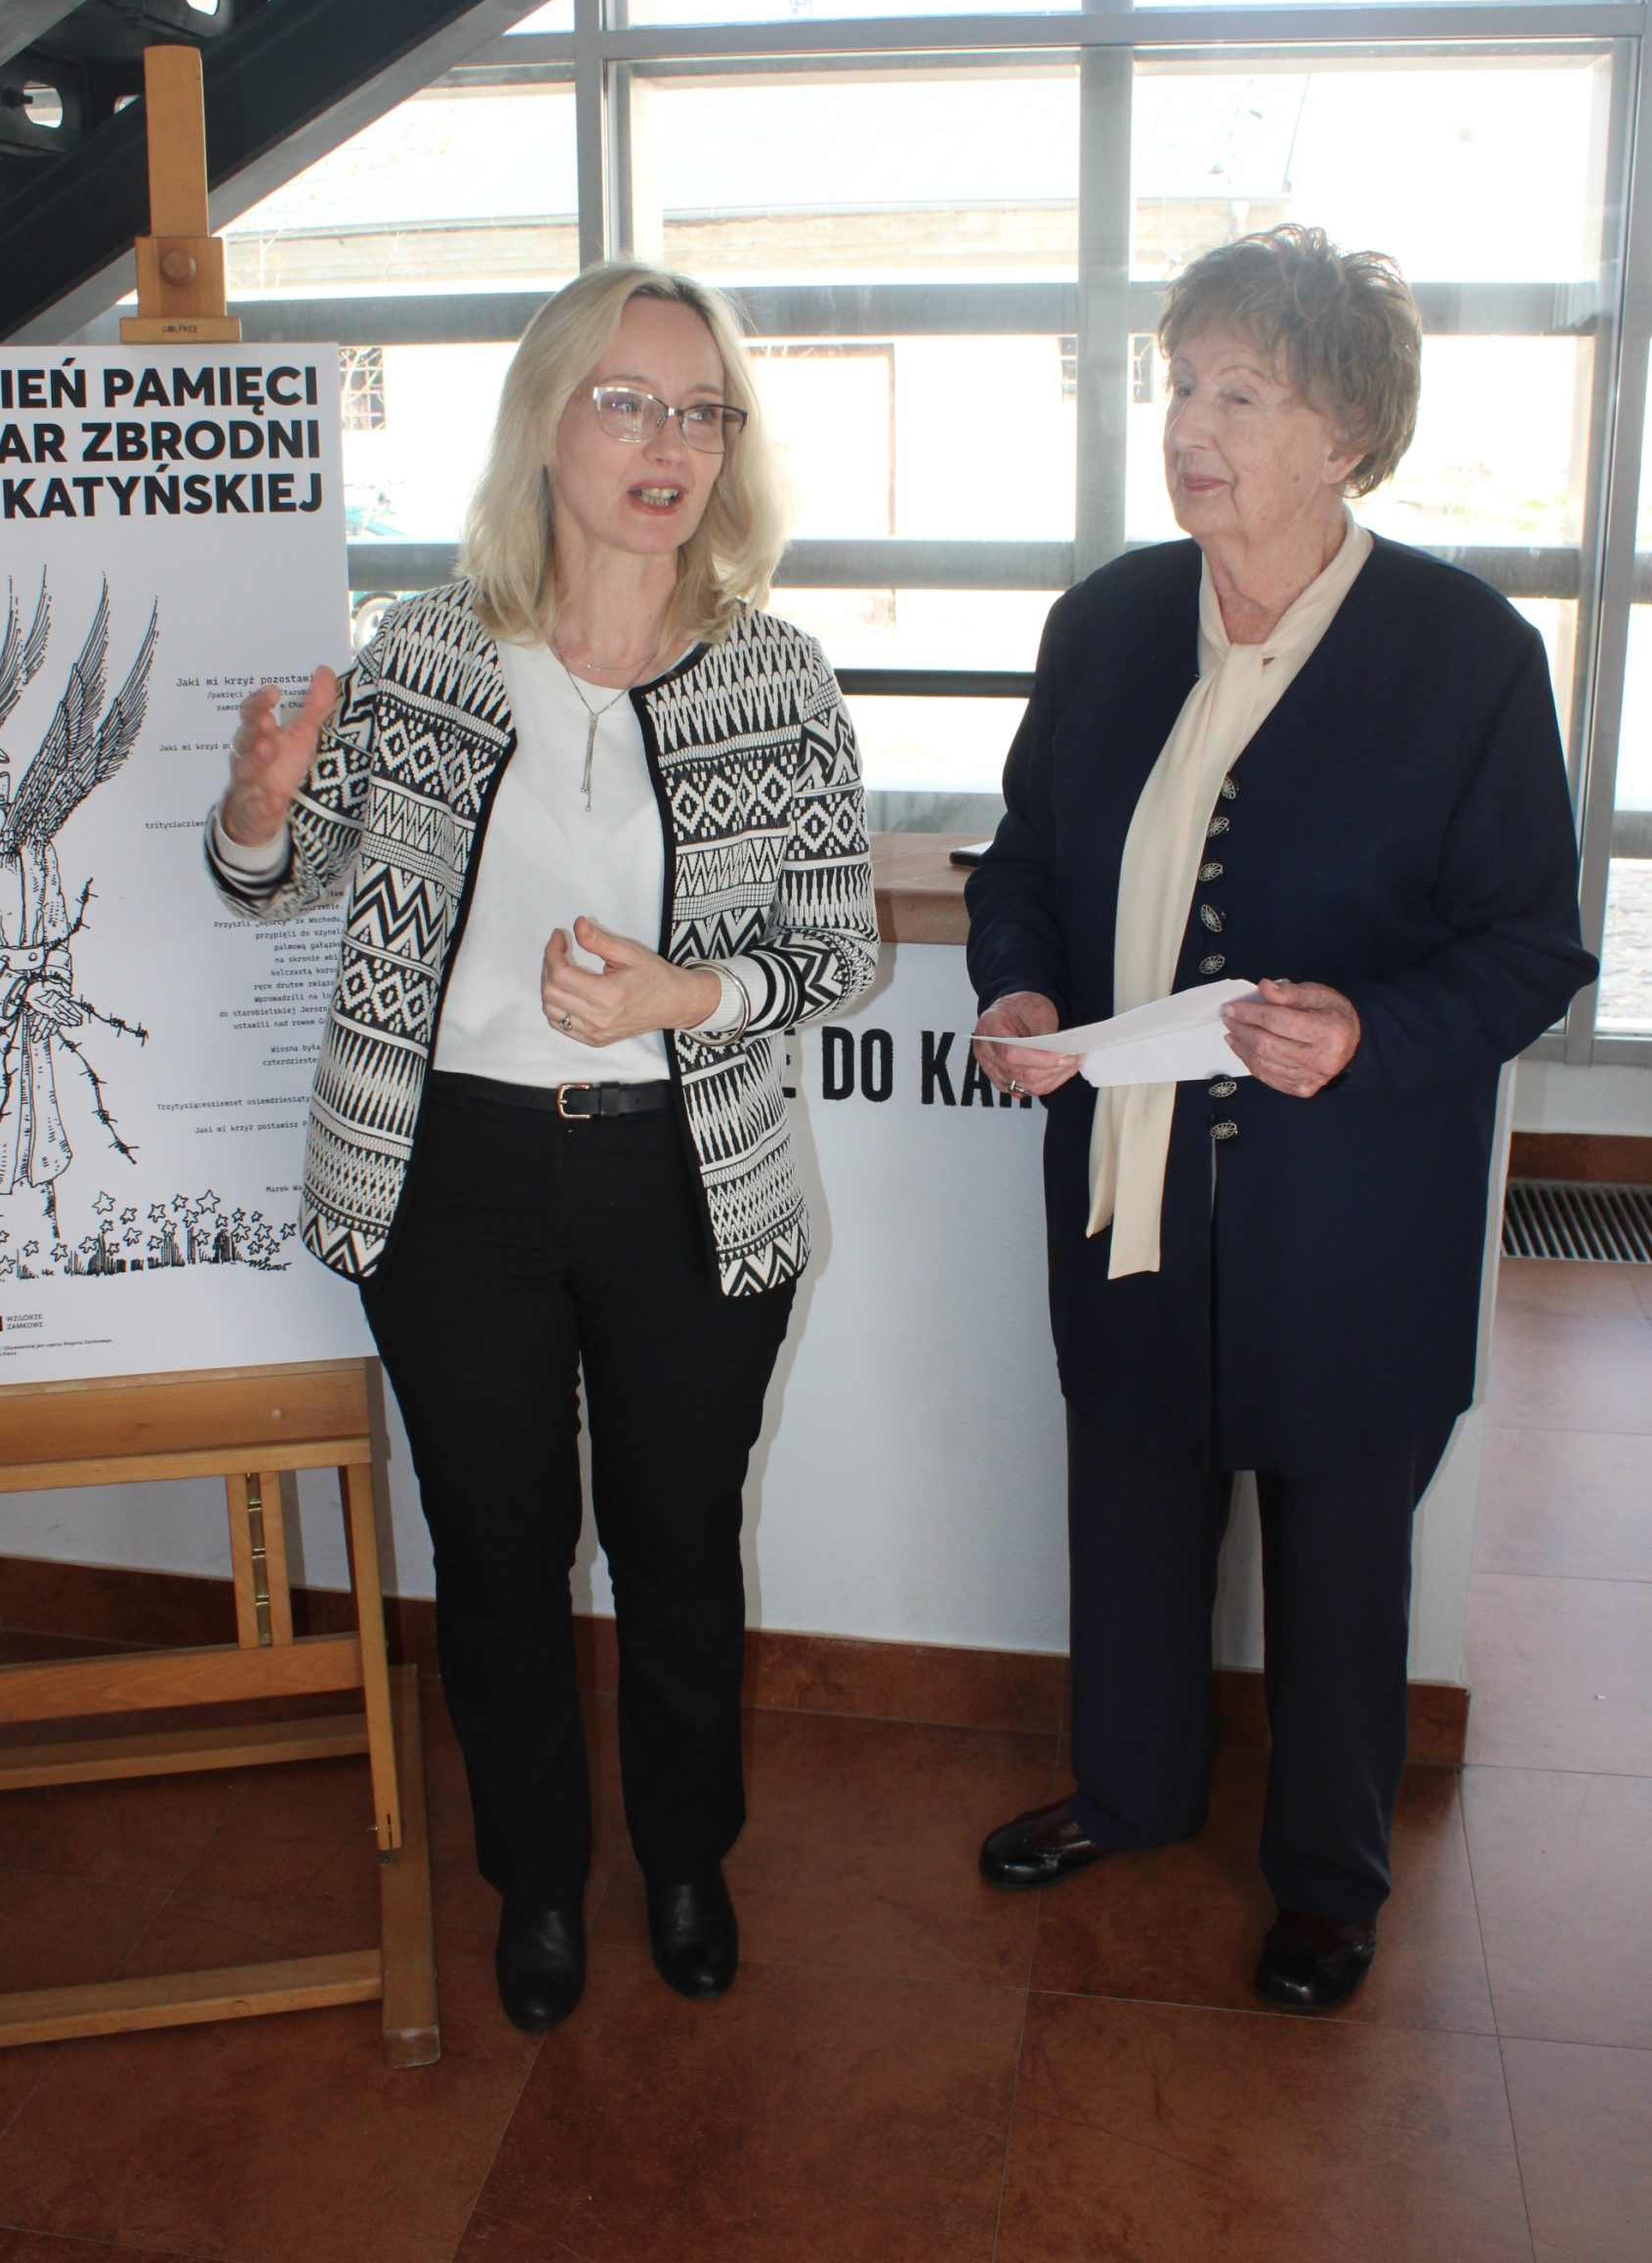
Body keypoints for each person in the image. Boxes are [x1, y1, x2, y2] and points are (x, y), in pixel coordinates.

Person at [206, 259, 878, 2032]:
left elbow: (835, 948)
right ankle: (538, 1889)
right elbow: (284, 875)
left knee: (677, 1545)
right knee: (499, 1558)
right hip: (456, 1179)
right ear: (547, 422)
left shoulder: (776, 675)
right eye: (628, 402)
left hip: (687, 1179)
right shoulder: (428, 655)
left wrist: (687, 993)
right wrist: (259, 809)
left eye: (702, 411)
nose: (670, 444)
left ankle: (686, 1861)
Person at [966, 225, 1594, 2012]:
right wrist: (1018, 989)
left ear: (1349, 436)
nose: (1191, 425)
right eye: (1181, 384)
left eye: (1243, 393)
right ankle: (1131, 1790)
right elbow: (1023, 866)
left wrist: (1373, 1030)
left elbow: (1533, 948)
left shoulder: (1466, 654)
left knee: (1337, 1555)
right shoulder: (1102, 627)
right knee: (1132, 1505)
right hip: (1127, 1186)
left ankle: (1327, 1876)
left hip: (1352, 1216)